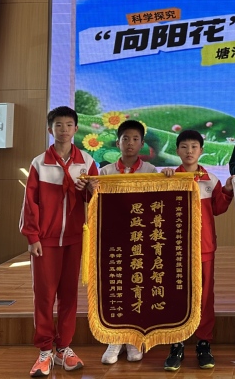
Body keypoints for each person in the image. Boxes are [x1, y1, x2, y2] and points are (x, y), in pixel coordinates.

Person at [20, 106, 99, 377]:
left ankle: (64, 347)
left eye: (68, 125)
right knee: (44, 296)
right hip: (46, 241)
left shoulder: (86, 161)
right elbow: (30, 204)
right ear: (50, 129)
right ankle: (45, 351)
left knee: (68, 296)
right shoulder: (39, 163)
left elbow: (96, 200)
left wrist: (90, 190)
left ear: (76, 129)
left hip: (75, 240)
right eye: (58, 125)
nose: (64, 130)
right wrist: (32, 237)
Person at [162, 130, 234, 372]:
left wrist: (228, 190)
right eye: (184, 147)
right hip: (176, 250)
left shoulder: (210, 179)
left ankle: (203, 343)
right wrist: (164, 182)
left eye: (194, 147)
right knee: (177, 296)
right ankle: (177, 342)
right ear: (177, 151)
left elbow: (218, 208)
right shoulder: (169, 178)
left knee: (204, 297)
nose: (189, 151)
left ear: (201, 151)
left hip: (204, 248)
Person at [100, 119, 156, 365]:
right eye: (125, 139)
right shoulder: (105, 172)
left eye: (135, 139)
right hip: (113, 239)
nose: (130, 143)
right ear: (117, 143)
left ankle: (134, 339)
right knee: (115, 288)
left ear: (142, 144)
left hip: (141, 240)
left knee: (138, 287)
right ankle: (115, 339)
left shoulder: (151, 171)